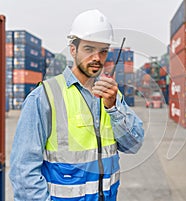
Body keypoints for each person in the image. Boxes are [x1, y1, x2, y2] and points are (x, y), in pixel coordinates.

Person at [9, 9, 144, 201]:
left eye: (103, 51)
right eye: (89, 49)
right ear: (73, 50)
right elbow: (23, 173)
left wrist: (113, 107)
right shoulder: (44, 96)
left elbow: (134, 145)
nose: (97, 57)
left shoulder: (112, 95)